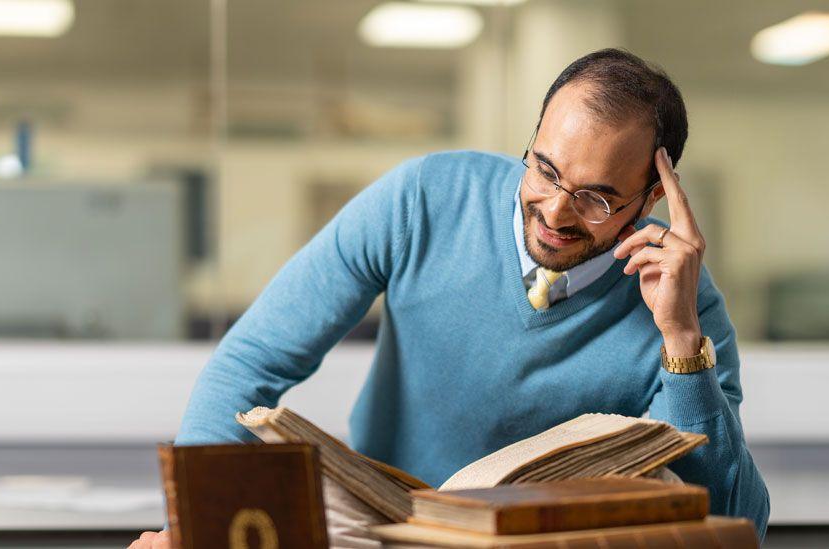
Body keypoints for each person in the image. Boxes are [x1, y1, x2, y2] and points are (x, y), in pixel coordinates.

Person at [129, 48, 769, 548]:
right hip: (383, 526)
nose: (555, 211)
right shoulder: (424, 198)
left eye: (596, 197)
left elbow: (735, 521)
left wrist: (682, 342)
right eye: (544, 169)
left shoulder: (682, 298)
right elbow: (252, 361)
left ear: (651, 197)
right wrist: (195, 524)